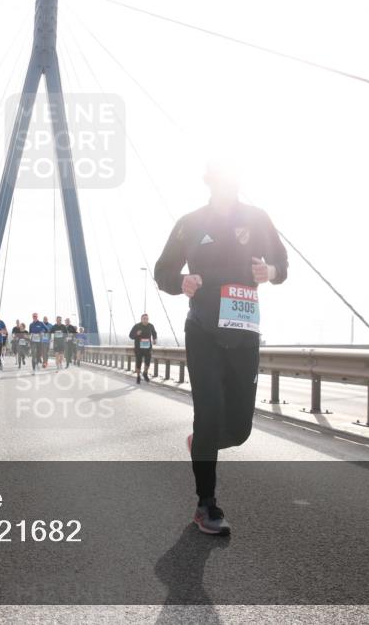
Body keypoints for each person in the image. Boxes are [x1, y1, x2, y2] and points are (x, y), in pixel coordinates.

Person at [154, 160, 288, 536]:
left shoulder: (258, 218)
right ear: (210, 183)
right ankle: (206, 504)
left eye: (233, 180)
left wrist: (271, 272)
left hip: (244, 334)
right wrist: (182, 282)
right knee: (209, 412)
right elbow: (162, 271)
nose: (228, 186)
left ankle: (201, 444)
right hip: (203, 331)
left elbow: (282, 263)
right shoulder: (190, 223)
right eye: (221, 180)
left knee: (240, 428)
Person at [130, 314, 158, 384]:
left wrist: (154, 339)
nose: (145, 320)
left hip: (148, 348)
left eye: (147, 319)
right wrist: (136, 334)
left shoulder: (151, 326)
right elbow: (131, 336)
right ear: (141, 319)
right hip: (138, 348)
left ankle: (145, 373)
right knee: (139, 362)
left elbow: (154, 333)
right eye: (144, 319)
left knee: (147, 362)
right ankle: (138, 376)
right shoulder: (137, 326)